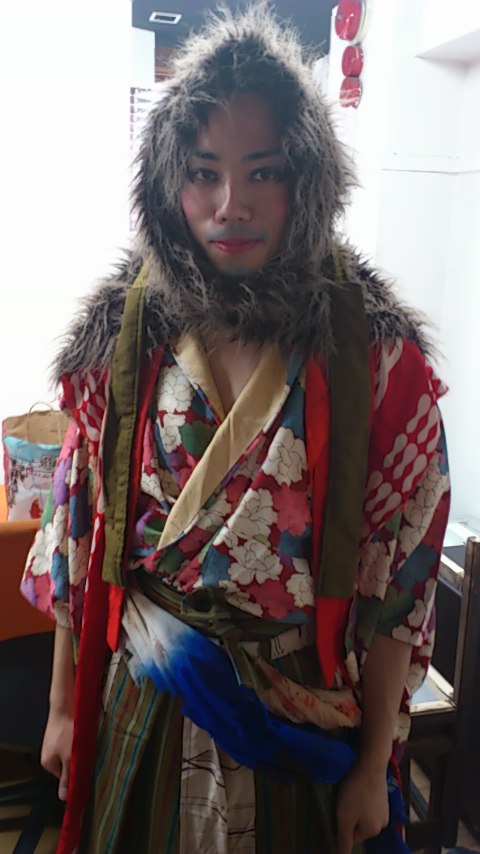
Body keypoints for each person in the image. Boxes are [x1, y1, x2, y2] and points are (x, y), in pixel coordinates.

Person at [21, 7, 450, 854]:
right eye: (204, 173)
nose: (231, 205)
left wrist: (374, 765)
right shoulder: (127, 338)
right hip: (147, 698)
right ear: (167, 184)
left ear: (307, 181)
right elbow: (80, 531)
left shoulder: (376, 358)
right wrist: (64, 707)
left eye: (263, 173)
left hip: (300, 715)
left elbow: (398, 577)